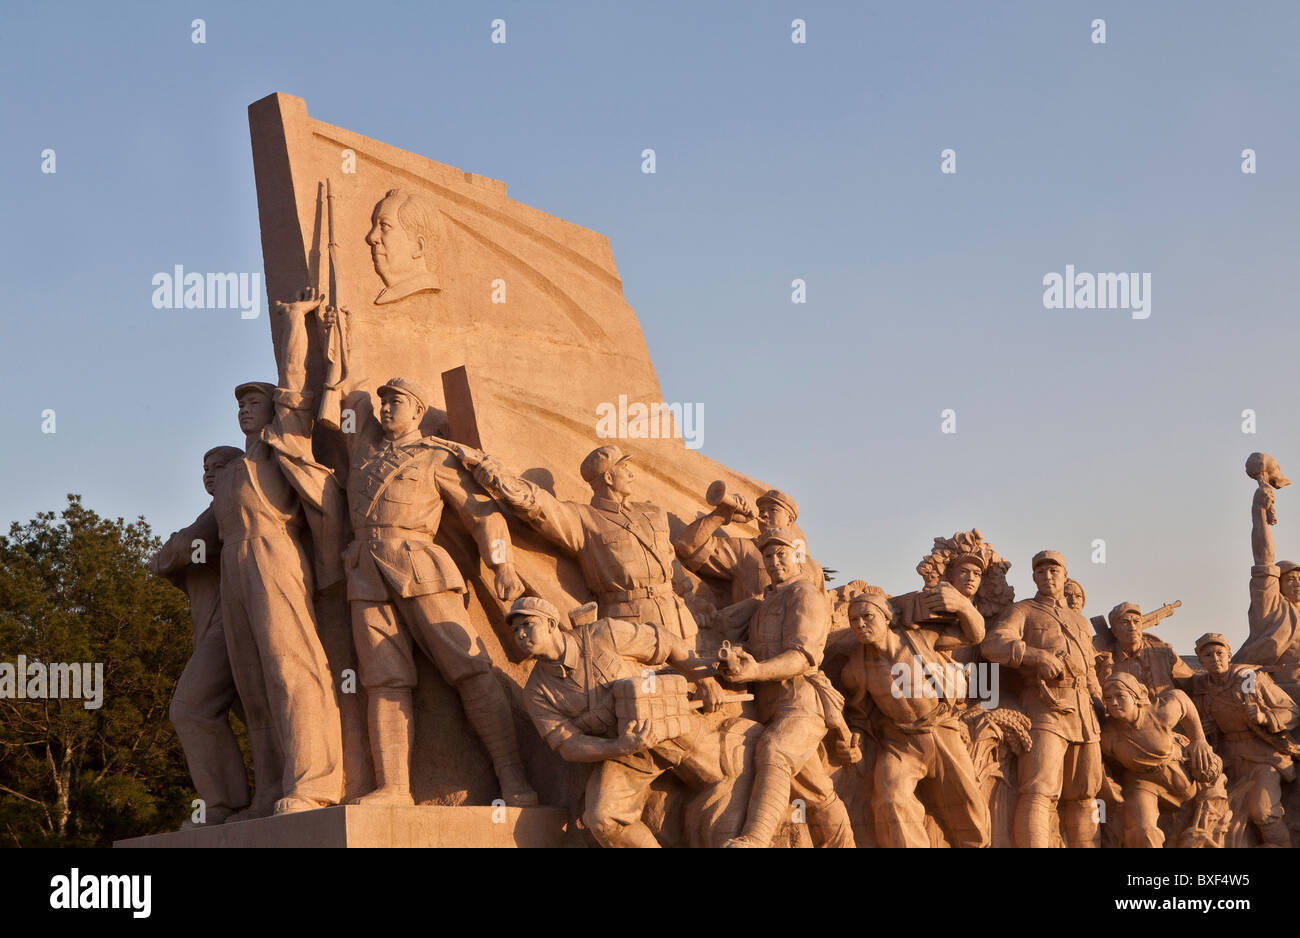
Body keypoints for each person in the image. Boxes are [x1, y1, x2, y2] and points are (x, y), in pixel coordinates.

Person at [296, 298, 537, 807]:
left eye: (396, 402)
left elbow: (481, 513)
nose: (384, 408)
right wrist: (334, 368)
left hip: (422, 567)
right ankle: (394, 788)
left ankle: (514, 779)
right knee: (385, 681)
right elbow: (327, 430)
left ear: (418, 411)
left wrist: (503, 566)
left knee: (470, 669)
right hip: (365, 571)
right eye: (382, 401)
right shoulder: (362, 451)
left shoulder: (436, 454)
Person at [512, 596, 741, 847]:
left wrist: (704, 680)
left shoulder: (602, 634)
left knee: (727, 776)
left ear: (551, 624)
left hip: (669, 723)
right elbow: (568, 744)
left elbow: (665, 642)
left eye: (528, 624)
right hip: (625, 752)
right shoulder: (536, 691)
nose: (521, 634)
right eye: (515, 630)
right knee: (602, 818)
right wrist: (621, 746)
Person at [719, 528, 854, 848]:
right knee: (816, 791)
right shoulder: (765, 601)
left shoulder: (804, 594)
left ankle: (754, 839)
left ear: (797, 557)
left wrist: (758, 670)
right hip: (768, 702)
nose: (774, 561)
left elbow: (803, 657)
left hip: (801, 700)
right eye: (768, 556)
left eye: (781, 554)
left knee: (774, 749)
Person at [840, 587, 989, 847]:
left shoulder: (919, 638)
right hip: (901, 742)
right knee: (890, 799)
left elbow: (973, 635)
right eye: (854, 620)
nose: (860, 624)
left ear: (886, 617)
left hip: (942, 730)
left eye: (867, 616)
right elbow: (859, 715)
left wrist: (964, 607)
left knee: (969, 806)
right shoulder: (855, 668)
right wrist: (854, 737)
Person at [149, 445, 250, 827]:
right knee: (249, 715)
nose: (209, 474)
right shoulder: (214, 512)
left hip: (230, 627)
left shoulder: (222, 511)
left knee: (190, 708)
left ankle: (224, 803)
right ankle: (244, 801)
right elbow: (166, 558)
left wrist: (181, 547)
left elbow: (179, 550)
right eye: (205, 468)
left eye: (219, 466)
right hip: (214, 626)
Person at [982, 549, 1103, 847]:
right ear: (1034, 577)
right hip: (1045, 706)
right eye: (1041, 572)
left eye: (1054, 571)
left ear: (1065, 575)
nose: (1047, 576)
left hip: (1084, 714)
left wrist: (1099, 700)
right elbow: (993, 644)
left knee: (1086, 796)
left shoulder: (1081, 622)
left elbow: (1089, 670)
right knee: (1039, 790)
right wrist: (1034, 656)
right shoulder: (1023, 610)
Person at [1191, 632, 1299, 847]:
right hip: (1228, 759)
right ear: (1200, 660)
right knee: (1225, 815)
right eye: (1208, 655)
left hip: (1263, 755)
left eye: (1220, 653)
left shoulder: (1249, 677)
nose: (1215, 659)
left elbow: (1292, 711)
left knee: (1263, 811)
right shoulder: (1203, 688)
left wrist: (1264, 716)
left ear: (1229, 654)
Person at [1099, 672, 1228, 848]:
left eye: (1120, 696)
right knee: (1143, 832)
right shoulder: (1106, 733)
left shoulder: (1159, 712)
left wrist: (1199, 739)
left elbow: (1182, 700)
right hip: (1140, 782)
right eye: (1108, 698)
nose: (1113, 702)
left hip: (1178, 774)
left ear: (1136, 696)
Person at [673, 487, 823, 605]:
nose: (764, 514)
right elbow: (687, 546)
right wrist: (722, 514)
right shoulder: (744, 548)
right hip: (755, 638)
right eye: (762, 511)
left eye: (773, 510)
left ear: (790, 520)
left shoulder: (812, 567)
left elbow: (823, 612)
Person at [367, 188, 441, 304]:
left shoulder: (421, 302)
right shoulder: (387, 295)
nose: (371, 237)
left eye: (384, 226)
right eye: (374, 226)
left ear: (418, 246)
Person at [1105, 602, 1194, 696]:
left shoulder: (1164, 653)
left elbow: (1192, 682)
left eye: (1136, 622)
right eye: (1125, 623)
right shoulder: (1105, 660)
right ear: (1114, 630)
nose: (1132, 628)